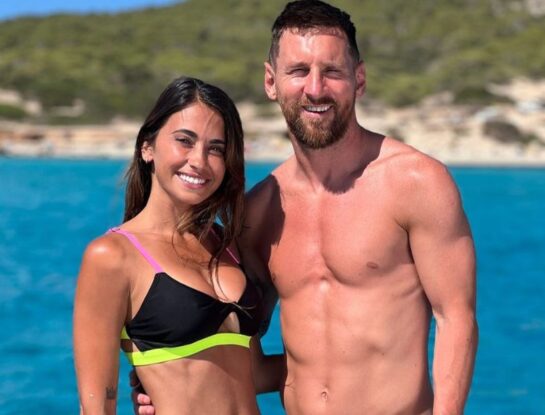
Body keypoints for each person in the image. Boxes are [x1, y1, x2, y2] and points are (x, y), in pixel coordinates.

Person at [135, 1, 478, 414]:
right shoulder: (259, 211)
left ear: (359, 79)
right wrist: (168, 382)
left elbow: (455, 318)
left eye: (332, 71)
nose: (315, 89)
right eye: (298, 71)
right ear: (271, 81)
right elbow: (241, 347)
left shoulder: (416, 183)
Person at [73, 76, 283, 415]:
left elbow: (255, 375)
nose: (199, 160)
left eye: (216, 148)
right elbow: (96, 407)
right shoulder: (112, 256)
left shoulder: (226, 246)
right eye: (185, 141)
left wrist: (355, 359)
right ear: (148, 147)